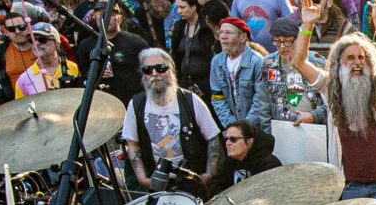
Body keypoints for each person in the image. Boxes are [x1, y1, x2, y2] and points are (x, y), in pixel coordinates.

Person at [287, 31, 376, 202]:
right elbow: (299, 62)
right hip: (351, 186)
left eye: (361, 57)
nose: (357, 62)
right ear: (338, 62)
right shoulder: (330, 88)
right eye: (350, 58)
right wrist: (307, 25)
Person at [119, 46, 219, 193]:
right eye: (148, 70)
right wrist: (143, 179)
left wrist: (209, 173)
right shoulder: (136, 104)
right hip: (158, 185)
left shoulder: (191, 100)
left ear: (171, 70)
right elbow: (133, 144)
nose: (154, 74)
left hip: (191, 182)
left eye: (160, 68)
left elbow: (213, 138)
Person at [203, 119, 282, 196]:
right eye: (226, 139)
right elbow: (215, 185)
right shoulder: (229, 162)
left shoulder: (269, 164)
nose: (227, 143)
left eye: (233, 139)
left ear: (249, 142)